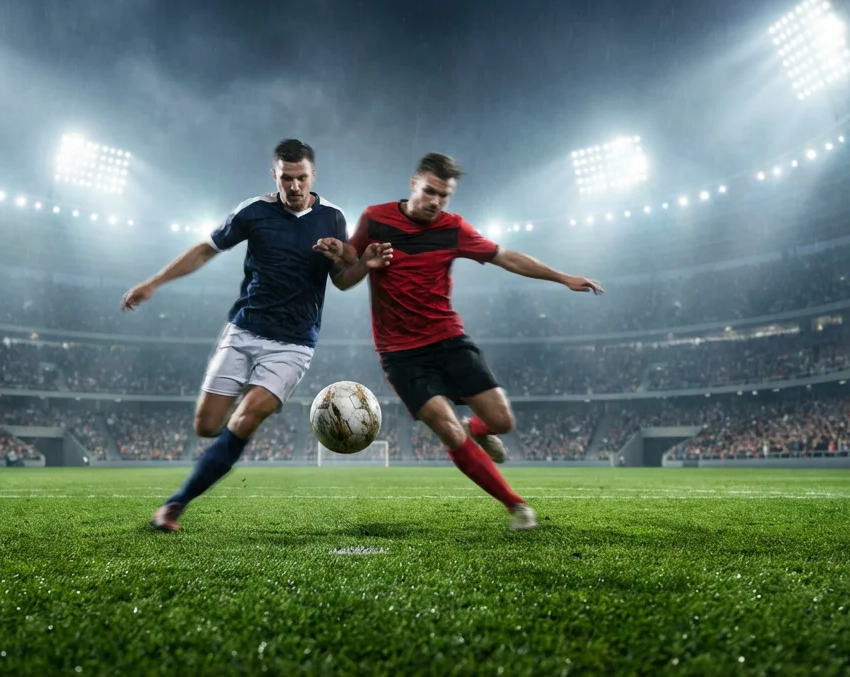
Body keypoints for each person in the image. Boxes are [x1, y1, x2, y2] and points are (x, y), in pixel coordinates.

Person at [320, 153, 603, 531]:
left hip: (449, 339)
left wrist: (562, 277)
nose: (436, 201)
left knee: (502, 421)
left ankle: (479, 430)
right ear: (413, 183)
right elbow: (343, 278)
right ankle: (517, 507)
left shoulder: (453, 229)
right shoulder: (374, 218)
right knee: (449, 431)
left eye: (444, 195)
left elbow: (507, 257)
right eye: (430, 191)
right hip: (401, 354)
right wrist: (356, 262)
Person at [122, 139, 392, 532]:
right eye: (287, 179)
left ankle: (173, 506)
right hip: (244, 331)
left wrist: (362, 263)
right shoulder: (253, 211)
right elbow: (205, 249)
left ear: (313, 175)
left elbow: (343, 280)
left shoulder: (333, 218)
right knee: (206, 426)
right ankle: (226, 440)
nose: (295, 187)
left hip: (293, 344)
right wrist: (153, 284)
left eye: (301, 178)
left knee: (247, 417)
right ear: (275, 176)